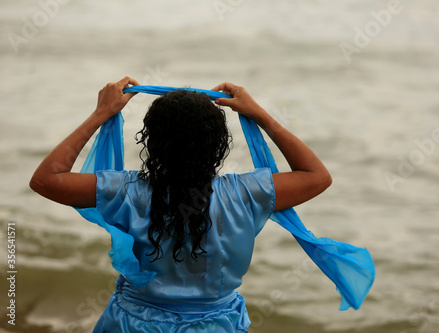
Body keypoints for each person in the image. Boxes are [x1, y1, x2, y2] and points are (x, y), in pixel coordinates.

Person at [29, 77, 332, 332]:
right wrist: (260, 115)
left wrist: (100, 114)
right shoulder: (246, 193)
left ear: (151, 141)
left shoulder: (125, 191)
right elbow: (316, 176)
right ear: (219, 144)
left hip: (133, 324)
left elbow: (46, 179)